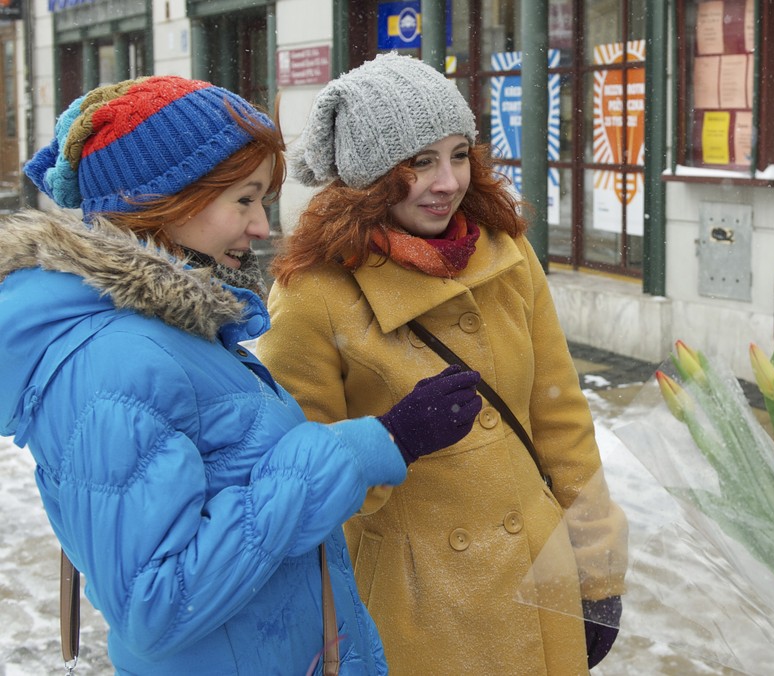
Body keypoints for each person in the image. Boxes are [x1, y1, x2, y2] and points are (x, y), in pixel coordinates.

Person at [0, 75, 482, 674]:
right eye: (244, 199)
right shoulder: (116, 363)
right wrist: (370, 447)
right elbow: (159, 603)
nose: (260, 226)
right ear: (165, 201)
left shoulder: (167, 332)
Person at [257, 54, 629, 675]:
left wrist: (596, 571)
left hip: (537, 578)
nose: (448, 182)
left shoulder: (507, 254)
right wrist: (393, 443)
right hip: (415, 603)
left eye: (459, 154)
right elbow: (301, 485)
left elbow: (561, 419)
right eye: (419, 162)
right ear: (370, 176)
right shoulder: (313, 294)